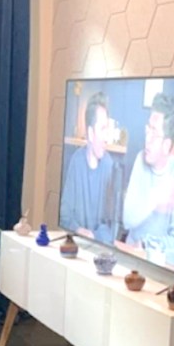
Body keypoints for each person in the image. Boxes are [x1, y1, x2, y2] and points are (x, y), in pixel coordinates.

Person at [120, 92, 174, 267]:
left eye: (154, 133)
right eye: (148, 129)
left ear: (166, 145)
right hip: (130, 261)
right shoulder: (140, 160)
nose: (147, 139)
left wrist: (146, 244)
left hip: (158, 268)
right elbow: (127, 220)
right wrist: (155, 199)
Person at [59, 91, 116, 244]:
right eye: (103, 129)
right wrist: (78, 230)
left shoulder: (109, 166)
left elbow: (112, 226)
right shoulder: (76, 162)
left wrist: (93, 236)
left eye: (107, 129)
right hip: (75, 244)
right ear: (90, 133)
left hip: (100, 249)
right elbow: (64, 215)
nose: (106, 137)